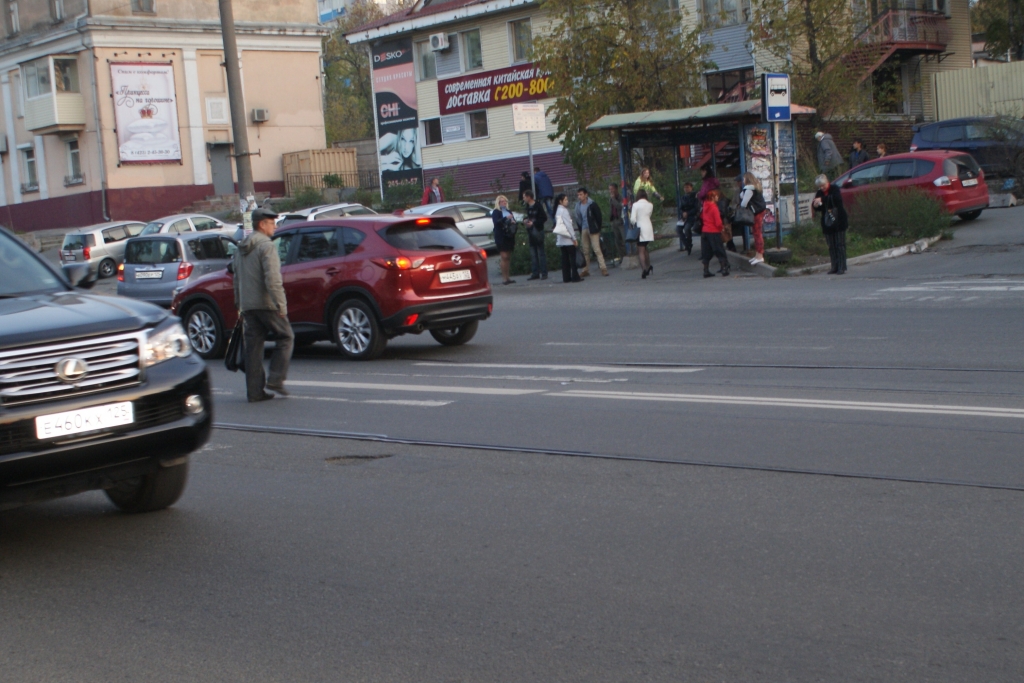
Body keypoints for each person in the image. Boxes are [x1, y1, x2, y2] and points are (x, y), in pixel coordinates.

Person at [233, 208, 294, 402]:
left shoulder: (240, 248)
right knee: (286, 336)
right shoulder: (266, 246)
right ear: (262, 224)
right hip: (267, 305)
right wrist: (281, 305)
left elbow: (236, 280)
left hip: (248, 306)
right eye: (271, 223)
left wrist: (239, 304)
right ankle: (276, 379)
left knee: (253, 349)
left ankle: (255, 392)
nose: (275, 227)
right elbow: (273, 279)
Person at [813, 174, 848, 275]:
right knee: (831, 245)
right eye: (820, 187)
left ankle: (842, 266)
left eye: (823, 185)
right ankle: (834, 266)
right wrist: (815, 205)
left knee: (840, 244)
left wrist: (823, 200)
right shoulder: (819, 193)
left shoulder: (835, 189)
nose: (822, 188)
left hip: (839, 220)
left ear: (827, 182)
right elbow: (819, 208)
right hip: (827, 221)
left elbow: (837, 200)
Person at [574, 187, 607, 277]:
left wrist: (597, 228)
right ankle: (585, 269)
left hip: (593, 229)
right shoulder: (578, 206)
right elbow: (578, 218)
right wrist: (581, 228)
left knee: (596, 249)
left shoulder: (592, 204)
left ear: (586, 195)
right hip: (584, 228)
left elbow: (598, 216)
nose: (579, 197)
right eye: (578, 195)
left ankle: (603, 268)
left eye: (581, 194)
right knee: (585, 250)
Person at [738, 172, 767, 265]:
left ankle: (760, 256)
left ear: (747, 179)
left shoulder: (749, 189)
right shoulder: (756, 187)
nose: (742, 181)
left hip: (756, 213)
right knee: (757, 233)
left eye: (743, 179)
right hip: (760, 211)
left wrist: (742, 194)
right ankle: (758, 255)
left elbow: (743, 203)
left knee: (757, 234)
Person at [700, 189, 729, 278]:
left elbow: (701, 217)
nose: (718, 198)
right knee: (719, 251)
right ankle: (724, 269)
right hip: (714, 232)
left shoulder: (704, 206)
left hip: (705, 231)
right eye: (716, 196)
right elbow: (718, 222)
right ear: (713, 197)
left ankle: (706, 270)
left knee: (706, 252)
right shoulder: (714, 208)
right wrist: (722, 229)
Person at [553, 193, 581, 283]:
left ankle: (566, 277)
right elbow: (569, 225)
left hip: (561, 238)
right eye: (565, 200)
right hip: (568, 238)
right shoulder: (564, 211)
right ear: (560, 201)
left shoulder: (557, 210)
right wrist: (574, 237)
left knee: (565, 259)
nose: (567, 201)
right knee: (572, 258)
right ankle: (575, 276)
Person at [491, 195, 518, 285]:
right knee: (504, 256)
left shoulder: (508, 211)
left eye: (505, 201)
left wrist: (513, 221)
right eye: (502, 201)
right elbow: (496, 222)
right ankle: (504, 278)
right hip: (501, 236)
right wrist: (505, 218)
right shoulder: (496, 212)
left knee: (508, 257)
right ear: (498, 203)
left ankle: (508, 277)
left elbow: (512, 220)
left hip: (508, 236)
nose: (504, 203)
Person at [523, 190, 548, 281]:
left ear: (529, 197)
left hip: (538, 230)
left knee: (541, 252)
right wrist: (525, 220)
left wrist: (534, 223)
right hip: (531, 231)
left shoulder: (538, 206)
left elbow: (544, 218)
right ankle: (535, 273)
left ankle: (544, 273)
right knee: (533, 253)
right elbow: (528, 216)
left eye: (524, 197)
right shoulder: (527, 207)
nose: (523, 199)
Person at [630, 189, 655, 279]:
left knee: (640, 250)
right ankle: (649, 266)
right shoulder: (650, 205)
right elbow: (649, 215)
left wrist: (634, 222)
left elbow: (632, 219)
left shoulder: (635, 205)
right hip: (648, 227)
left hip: (640, 229)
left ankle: (644, 269)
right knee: (645, 248)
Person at [678, 182, 697, 255]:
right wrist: (682, 213)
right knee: (678, 229)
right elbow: (680, 208)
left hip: (692, 217)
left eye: (688, 187)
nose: (686, 189)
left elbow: (696, 208)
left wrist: (688, 213)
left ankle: (689, 242)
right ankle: (687, 244)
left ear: (691, 188)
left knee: (687, 229)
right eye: (685, 187)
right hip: (684, 217)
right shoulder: (683, 197)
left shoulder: (695, 196)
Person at [608, 183, 626, 263]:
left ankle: (628, 254)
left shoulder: (620, 197)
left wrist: (613, 200)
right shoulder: (611, 199)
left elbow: (620, 206)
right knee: (617, 240)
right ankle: (622, 256)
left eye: (612, 189)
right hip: (614, 220)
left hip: (620, 220)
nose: (611, 191)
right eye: (609, 189)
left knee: (624, 238)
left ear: (616, 189)